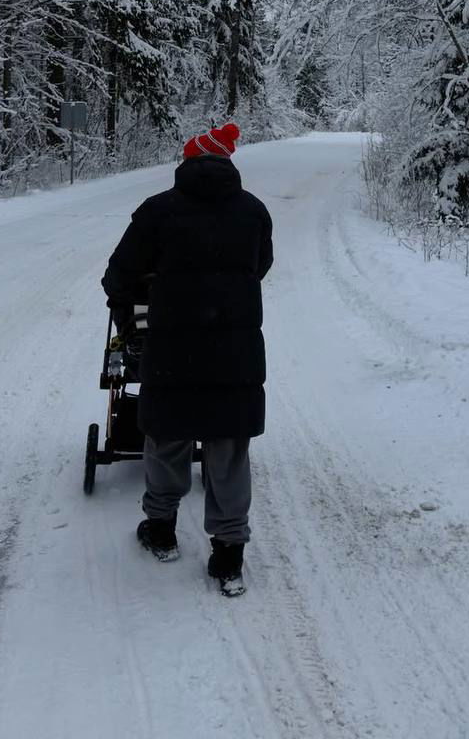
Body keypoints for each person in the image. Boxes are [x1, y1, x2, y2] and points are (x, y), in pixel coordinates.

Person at [101, 122, 273, 595]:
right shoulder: (253, 212)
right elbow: (260, 267)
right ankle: (229, 556)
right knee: (228, 447)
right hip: (234, 352)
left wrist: (142, 305)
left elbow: (118, 277)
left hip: (171, 349)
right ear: (227, 164)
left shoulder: (157, 212)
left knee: (167, 436)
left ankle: (161, 530)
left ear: (187, 162)